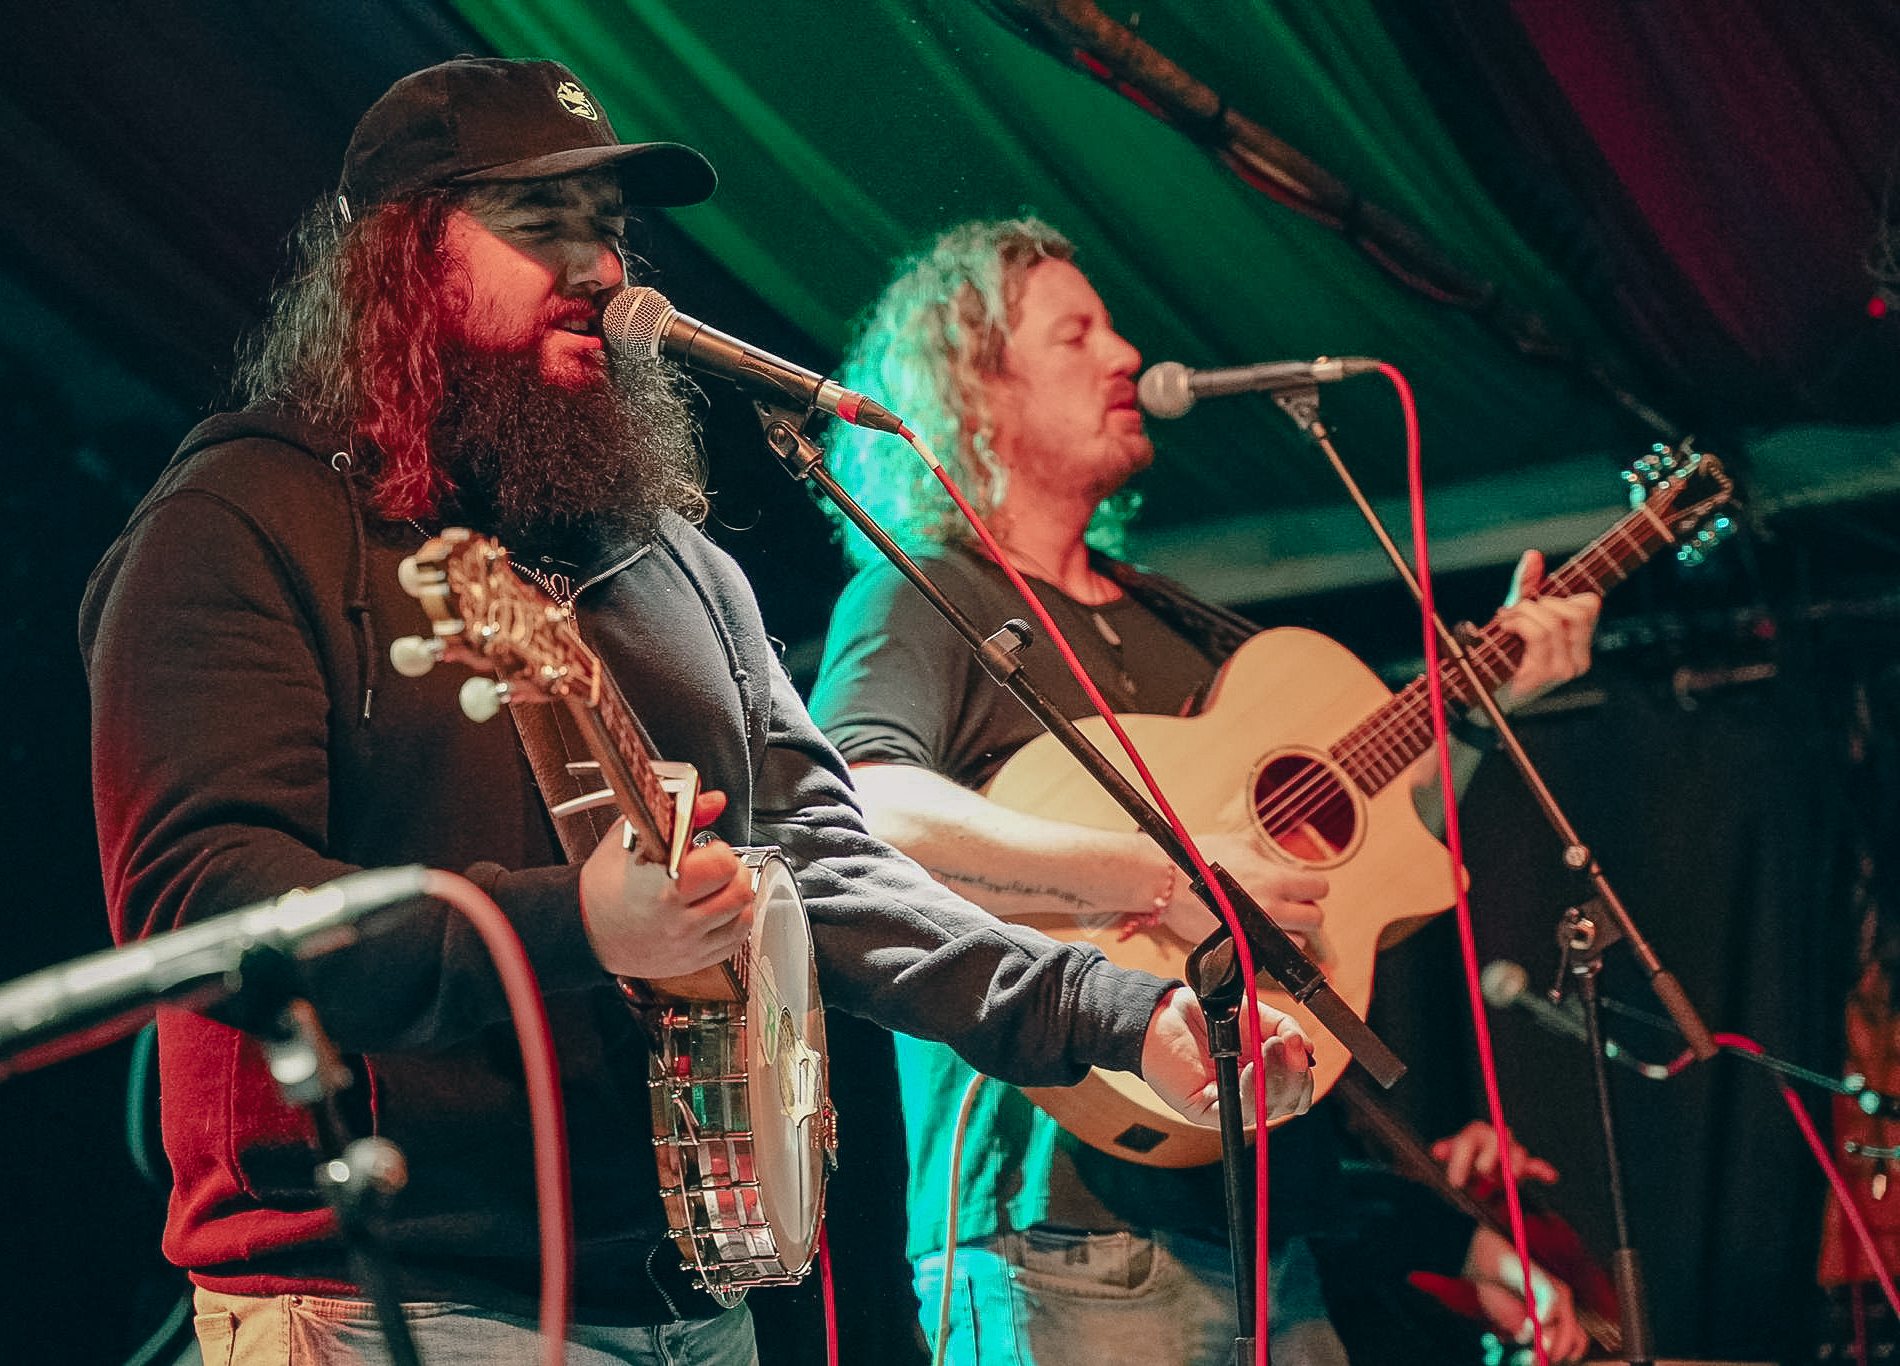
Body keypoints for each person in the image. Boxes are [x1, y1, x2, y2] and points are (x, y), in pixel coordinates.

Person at [78, 65, 1315, 1366]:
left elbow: (830, 866)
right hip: (387, 1298)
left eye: (606, 224)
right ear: (397, 253)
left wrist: (1117, 1013)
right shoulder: (243, 519)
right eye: (536, 220)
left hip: (694, 1310)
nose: (599, 267)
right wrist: (571, 921)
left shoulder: (676, 564)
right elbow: (199, 901)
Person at [806, 218, 1602, 1365]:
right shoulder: (923, 595)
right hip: (1056, 1224)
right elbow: (861, 804)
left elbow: (1360, 836)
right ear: (973, 392)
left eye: (1114, 329)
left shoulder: (1174, 623)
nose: (1125, 354)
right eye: (1075, 335)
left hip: (1267, 1227)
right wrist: (1153, 873)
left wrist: (1491, 689)